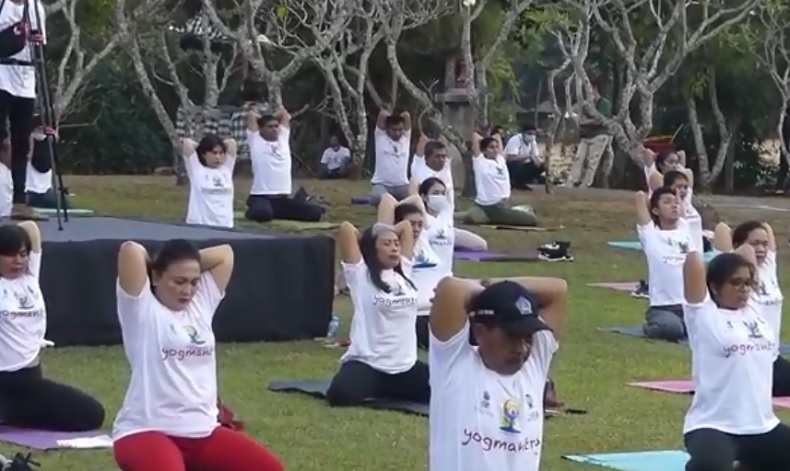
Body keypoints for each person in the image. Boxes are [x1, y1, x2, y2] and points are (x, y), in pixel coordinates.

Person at [112, 240, 284, 471]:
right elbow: (130, 250)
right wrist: (163, 262)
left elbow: (225, 254)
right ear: (154, 277)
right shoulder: (141, 307)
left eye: (194, 282)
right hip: (147, 431)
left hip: (204, 431)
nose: (188, 290)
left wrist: (185, 263)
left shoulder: (200, 304)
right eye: (178, 281)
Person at [428, 275, 566, 471]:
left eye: (527, 337)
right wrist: (490, 294)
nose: (521, 348)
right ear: (480, 332)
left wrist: (494, 287)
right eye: (511, 336)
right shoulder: (455, 365)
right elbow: (451, 289)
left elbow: (558, 289)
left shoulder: (534, 365)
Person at [682, 246, 790, 471]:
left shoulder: (754, 310)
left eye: (747, 283)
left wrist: (741, 266)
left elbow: (747, 250)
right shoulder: (703, 315)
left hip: (762, 426)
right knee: (709, 466)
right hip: (714, 426)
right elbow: (693, 263)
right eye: (735, 282)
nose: (744, 289)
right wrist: (698, 241)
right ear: (714, 286)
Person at [0, 222, 105, 431]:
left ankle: (10, 413)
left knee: (92, 414)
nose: (18, 261)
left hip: (31, 382)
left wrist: (12, 234)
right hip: (4, 378)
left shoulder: (30, 277)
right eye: (9, 255)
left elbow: (31, 227)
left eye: (22, 254)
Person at [325, 213, 430, 406]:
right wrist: (374, 234)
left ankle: (392, 388)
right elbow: (347, 228)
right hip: (369, 364)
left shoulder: (403, 272)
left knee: (443, 390)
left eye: (396, 244)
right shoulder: (360, 274)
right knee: (339, 395)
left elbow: (406, 226)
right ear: (372, 249)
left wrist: (388, 233)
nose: (394, 248)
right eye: (386, 244)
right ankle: (377, 386)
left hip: (404, 366)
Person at [713, 220, 790, 396]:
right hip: (747, 360)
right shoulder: (732, 274)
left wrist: (758, 234)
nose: (762, 249)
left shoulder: (769, 266)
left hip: (771, 358)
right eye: (755, 243)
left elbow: (767, 228)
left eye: (764, 244)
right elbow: (721, 229)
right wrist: (744, 252)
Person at [0, 0, 47, 220]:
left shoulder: (36, 8)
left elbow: (41, 44)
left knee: (21, 140)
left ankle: (20, 200)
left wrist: (37, 42)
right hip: (1, 74)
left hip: (26, 81)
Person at [244, 105, 323, 223]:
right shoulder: (256, 141)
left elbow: (283, 113)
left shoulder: (283, 138)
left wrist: (272, 117)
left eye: (276, 126)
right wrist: (263, 117)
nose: (275, 129)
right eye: (270, 127)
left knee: (315, 213)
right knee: (263, 214)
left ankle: (275, 212)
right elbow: (251, 116)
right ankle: (256, 208)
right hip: (261, 196)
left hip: (282, 198)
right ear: (261, 129)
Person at [409, 134, 487, 251]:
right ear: (427, 158)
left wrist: (442, 133)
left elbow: (445, 145)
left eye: (443, 157)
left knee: (481, 245)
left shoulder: (446, 168)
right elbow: (422, 143)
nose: (441, 159)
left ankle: (447, 246)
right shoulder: (419, 169)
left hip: (448, 229)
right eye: (437, 157)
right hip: (427, 229)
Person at [635, 189, 694, 342]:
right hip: (663, 307)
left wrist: (675, 195)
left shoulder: (684, 229)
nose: (674, 206)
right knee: (673, 329)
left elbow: (682, 200)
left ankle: (682, 325)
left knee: (699, 329)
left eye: (676, 202)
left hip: (688, 305)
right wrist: (650, 197)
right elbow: (640, 198)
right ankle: (650, 326)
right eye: (667, 203)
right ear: (655, 210)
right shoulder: (650, 234)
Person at [464, 132, 538, 227]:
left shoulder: (500, 159)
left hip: (503, 203)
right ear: (484, 150)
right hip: (491, 206)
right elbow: (474, 135)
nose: (495, 150)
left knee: (525, 213)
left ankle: (514, 211)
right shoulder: (480, 162)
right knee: (531, 219)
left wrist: (491, 140)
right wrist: (485, 140)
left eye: (496, 147)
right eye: (491, 148)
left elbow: (497, 136)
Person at [181, 134, 237, 228]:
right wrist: (203, 146)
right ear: (204, 154)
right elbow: (187, 144)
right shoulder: (196, 170)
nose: (218, 157)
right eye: (214, 153)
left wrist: (219, 144)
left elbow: (232, 143)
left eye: (221, 153)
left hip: (225, 225)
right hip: (200, 225)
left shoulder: (226, 169)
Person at [566, 80, 612, 188]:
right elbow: (581, 118)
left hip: (599, 134)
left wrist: (588, 121)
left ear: (595, 89)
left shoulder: (604, 103)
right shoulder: (586, 104)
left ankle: (585, 183)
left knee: (592, 161)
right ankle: (572, 181)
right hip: (586, 134)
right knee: (579, 158)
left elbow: (601, 119)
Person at [369, 109, 412, 204]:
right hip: (382, 184)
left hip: (402, 185)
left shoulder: (405, 138)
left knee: (415, 200)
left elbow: (406, 115)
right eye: (394, 130)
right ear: (387, 128)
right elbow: (382, 114)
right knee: (377, 197)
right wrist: (391, 116)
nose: (397, 133)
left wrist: (397, 116)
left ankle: (394, 203)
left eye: (400, 129)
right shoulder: (381, 137)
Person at [25, 118, 67, 210]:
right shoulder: (29, 147)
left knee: (64, 202)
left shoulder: (48, 150)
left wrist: (52, 135)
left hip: (46, 193)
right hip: (29, 193)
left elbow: (54, 140)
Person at [663, 170, 703, 253]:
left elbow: (689, 172)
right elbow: (681, 220)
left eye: (685, 187)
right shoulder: (667, 207)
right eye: (679, 187)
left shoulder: (687, 200)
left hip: (698, 255)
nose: (683, 190)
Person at [503, 123, 545, 190]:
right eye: (529, 133)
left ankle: (522, 182)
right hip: (509, 166)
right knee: (516, 164)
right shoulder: (515, 140)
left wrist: (539, 162)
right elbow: (511, 158)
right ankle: (513, 183)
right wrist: (528, 156)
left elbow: (535, 155)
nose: (532, 136)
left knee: (540, 166)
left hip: (522, 165)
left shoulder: (532, 141)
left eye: (534, 134)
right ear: (523, 133)